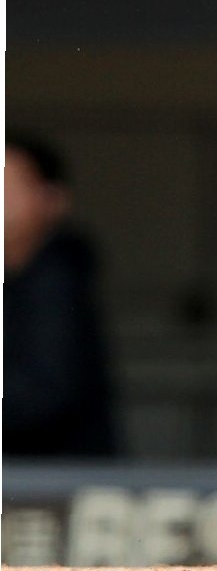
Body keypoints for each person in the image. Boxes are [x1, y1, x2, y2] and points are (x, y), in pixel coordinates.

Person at [4, 134, 119, 458]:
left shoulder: (56, 275)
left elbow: (45, 392)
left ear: (52, 199)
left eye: (9, 188)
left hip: (58, 474)